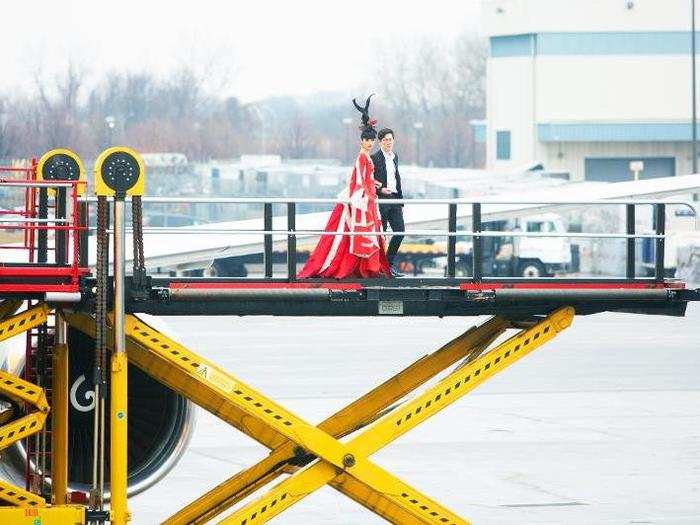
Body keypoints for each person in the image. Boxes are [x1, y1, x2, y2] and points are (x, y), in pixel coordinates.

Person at [298, 95, 391, 279]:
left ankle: (365, 268)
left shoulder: (365, 157)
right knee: (355, 235)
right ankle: (364, 268)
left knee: (350, 236)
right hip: (363, 201)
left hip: (366, 198)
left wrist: (378, 186)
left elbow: (365, 179)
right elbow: (359, 181)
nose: (370, 143)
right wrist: (371, 193)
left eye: (371, 140)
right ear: (361, 141)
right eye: (367, 140)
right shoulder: (363, 157)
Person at [371, 128, 405, 277]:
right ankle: (379, 267)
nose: (388, 142)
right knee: (381, 235)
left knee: (400, 232)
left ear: (393, 140)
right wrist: (380, 190)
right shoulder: (374, 158)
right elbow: (369, 180)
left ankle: (389, 264)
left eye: (390, 139)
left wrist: (401, 202)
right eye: (385, 140)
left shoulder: (395, 157)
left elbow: (397, 179)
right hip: (381, 200)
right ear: (380, 142)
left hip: (395, 199)